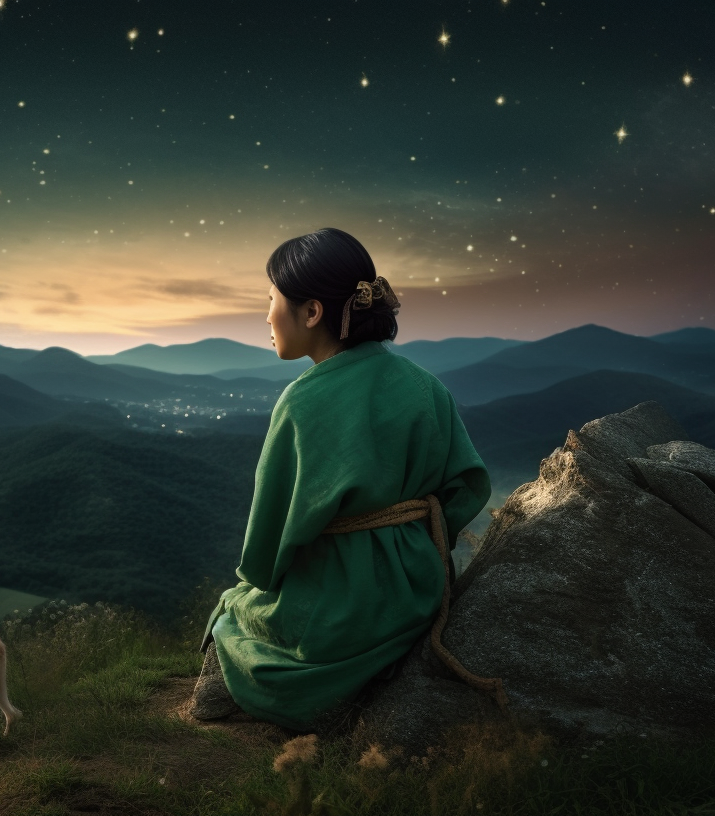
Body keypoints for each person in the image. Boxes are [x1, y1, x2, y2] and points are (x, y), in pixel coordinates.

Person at [190, 227, 493, 730]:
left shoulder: (303, 402)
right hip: (417, 582)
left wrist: (255, 582)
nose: (266, 315)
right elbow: (467, 486)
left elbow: (267, 545)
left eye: (271, 300)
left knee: (233, 614)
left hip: (340, 604)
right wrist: (408, 541)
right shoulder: (425, 385)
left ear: (312, 312)